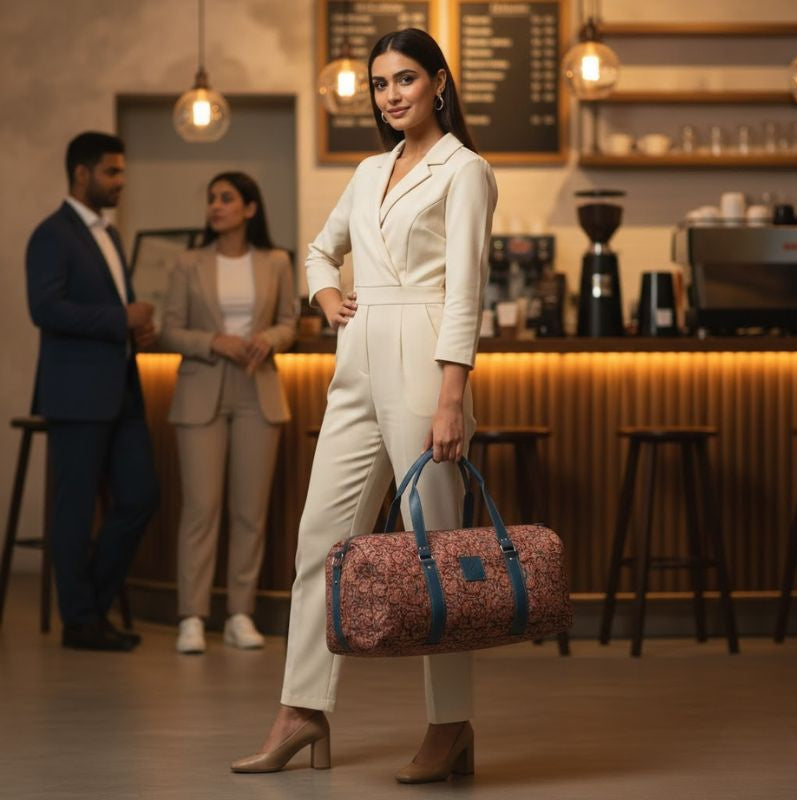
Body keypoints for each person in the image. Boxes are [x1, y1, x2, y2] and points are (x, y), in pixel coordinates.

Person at [231, 29, 497, 783]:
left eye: (405, 79)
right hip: (355, 361)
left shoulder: (465, 170)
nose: (391, 95)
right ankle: (301, 710)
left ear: (438, 83)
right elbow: (320, 251)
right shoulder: (369, 170)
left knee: (436, 550)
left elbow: (466, 292)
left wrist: (452, 397)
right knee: (320, 540)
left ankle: (450, 725)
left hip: (425, 358)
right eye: (380, 84)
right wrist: (327, 299)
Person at [25, 131, 160, 651]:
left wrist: (136, 330)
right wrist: (119, 318)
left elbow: (110, 309)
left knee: (141, 496)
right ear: (81, 174)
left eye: (122, 171)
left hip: (121, 388)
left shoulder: (110, 234)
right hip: (77, 393)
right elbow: (45, 309)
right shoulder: (51, 235)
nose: (121, 181)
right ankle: (80, 622)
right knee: (75, 510)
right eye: (112, 171)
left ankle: (90, 609)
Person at [161, 172, 297, 655]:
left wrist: (270, 339)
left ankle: (241, 613)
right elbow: (169, 331)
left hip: (258, 390)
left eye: (226, 198)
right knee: (201, 509)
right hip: (202, 388)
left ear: (250, 208)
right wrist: (214, 341)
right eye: (211, 199)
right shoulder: (188, 263)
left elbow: (290, 322)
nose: (215, 206)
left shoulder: (276, 261)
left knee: (249, 513)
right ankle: (192, 616)